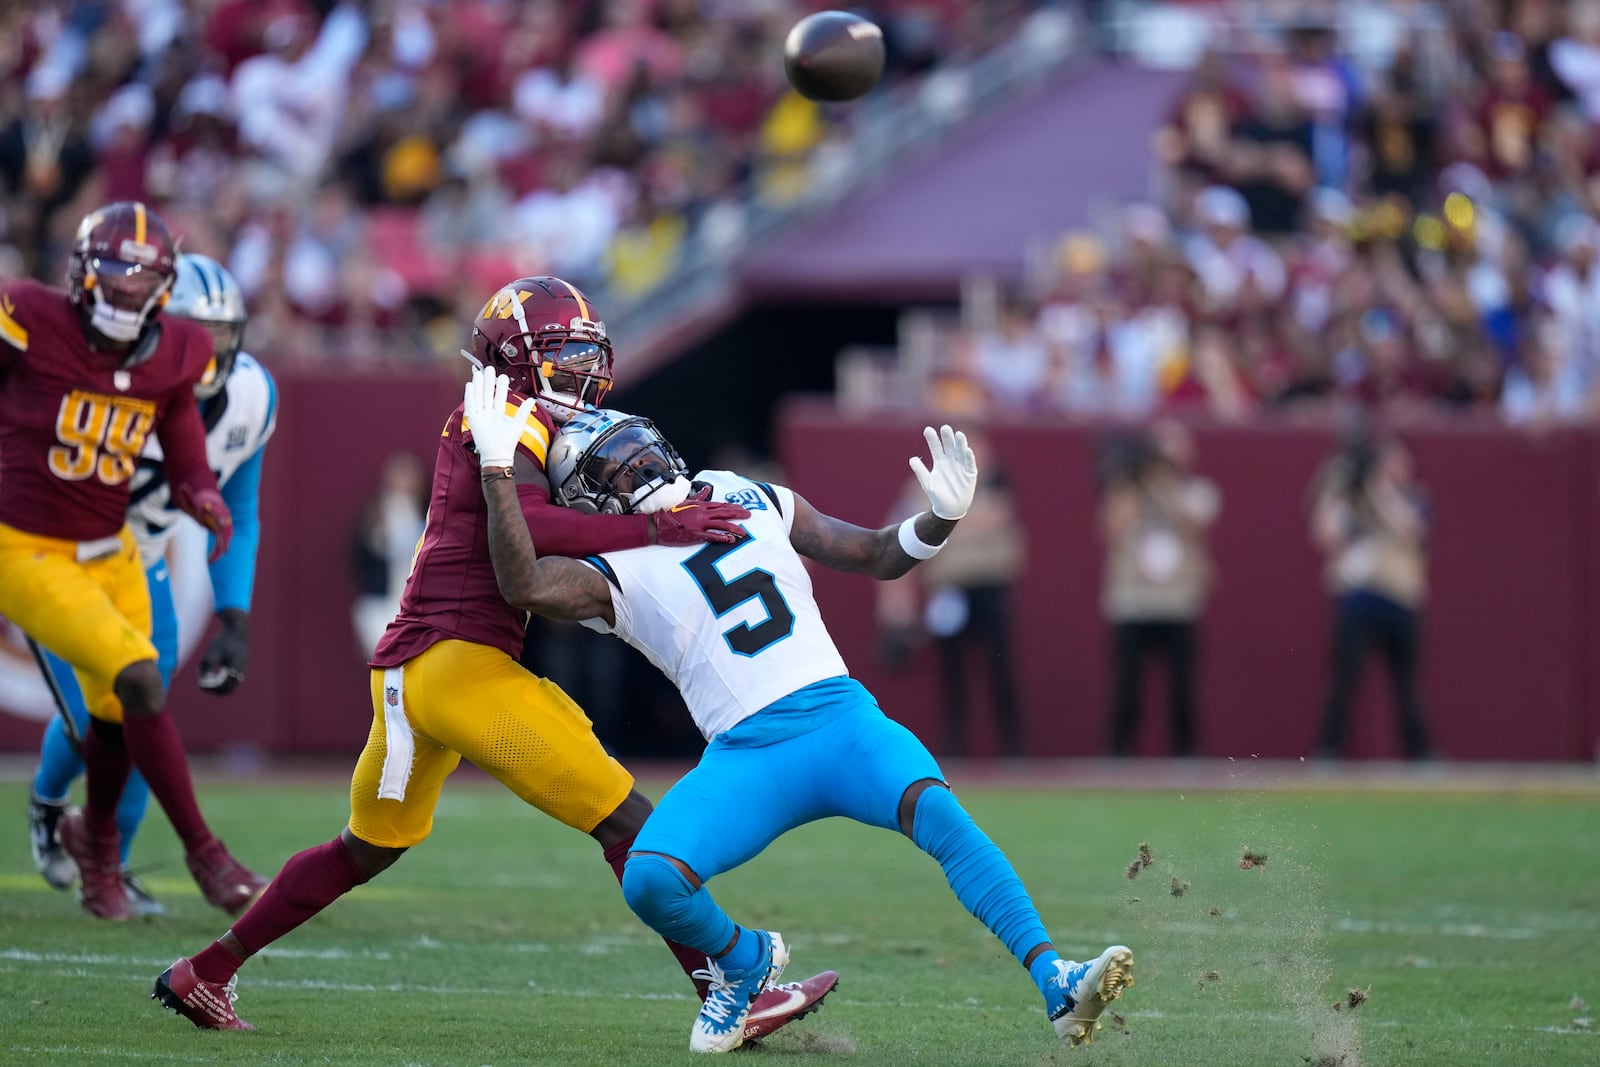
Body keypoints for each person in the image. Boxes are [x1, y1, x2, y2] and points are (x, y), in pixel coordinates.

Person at [152, 278, 836, 1039]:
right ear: (513, 361)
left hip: (410, 671)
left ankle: (206, 970)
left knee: (366, 846)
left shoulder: (514, 415)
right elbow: (535, 522)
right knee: (629, 820)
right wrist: (657, 530)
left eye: (585, 351)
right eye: (563, 353)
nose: (582, 368)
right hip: (458, 660)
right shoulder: (501, 415)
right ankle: (733, 985)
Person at [466, 372, 1135, 1054]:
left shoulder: (740, 489)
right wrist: (496, 472)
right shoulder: (615, 560)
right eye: (612, 463)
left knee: (942, 815)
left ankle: (1055, 977)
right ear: (588, 496)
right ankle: (743, 959)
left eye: (634, 447)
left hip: (844, 719)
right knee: (648, 879)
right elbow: (521, 582)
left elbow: (876, 553)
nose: (636, 464)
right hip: (748, 754)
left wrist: (940, 519)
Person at [0, 202, 264, 922]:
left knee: (121, 711)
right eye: (113, 274)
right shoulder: (27, 315)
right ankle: (205, 853)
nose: (125, 291)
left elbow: (180, 424)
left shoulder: (178, 350)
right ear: (83, 274)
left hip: (114, 547)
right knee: (138, 681)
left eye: (142, 278)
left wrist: (201, 491)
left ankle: (97, 851)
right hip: (24, 544)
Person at [876, 432, 1027, 757]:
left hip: (989, 586)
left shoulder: (997, 485)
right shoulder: (925, 487)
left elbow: (993, 519)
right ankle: (954, 745)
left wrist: (953, 519)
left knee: (999, 668)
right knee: (951, 672)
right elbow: (899, 530)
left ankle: (1012, 747)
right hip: (949, 588)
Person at [1308, 432, 1436, 760]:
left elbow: (1409, 528)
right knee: (1342, 681)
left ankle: (1421, 754)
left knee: (1406, 686)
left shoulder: (1415, 497)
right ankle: (1328, 751)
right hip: (1358, 601)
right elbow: (1326, 534)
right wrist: (1337, 482)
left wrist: (1380, 490)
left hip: (1399, 600)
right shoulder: (1353, 502)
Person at [1098, 420, 1219, 758]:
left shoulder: (1195, 489)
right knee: (1127, 685)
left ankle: (1187, 754)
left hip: (1178, 601)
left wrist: (1164, 483)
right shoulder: (1127, 491)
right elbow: (1111, 529)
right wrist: (1132, 481)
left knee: (1183, 685)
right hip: (1133, 599)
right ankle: (1118, 754)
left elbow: (1194, 518)